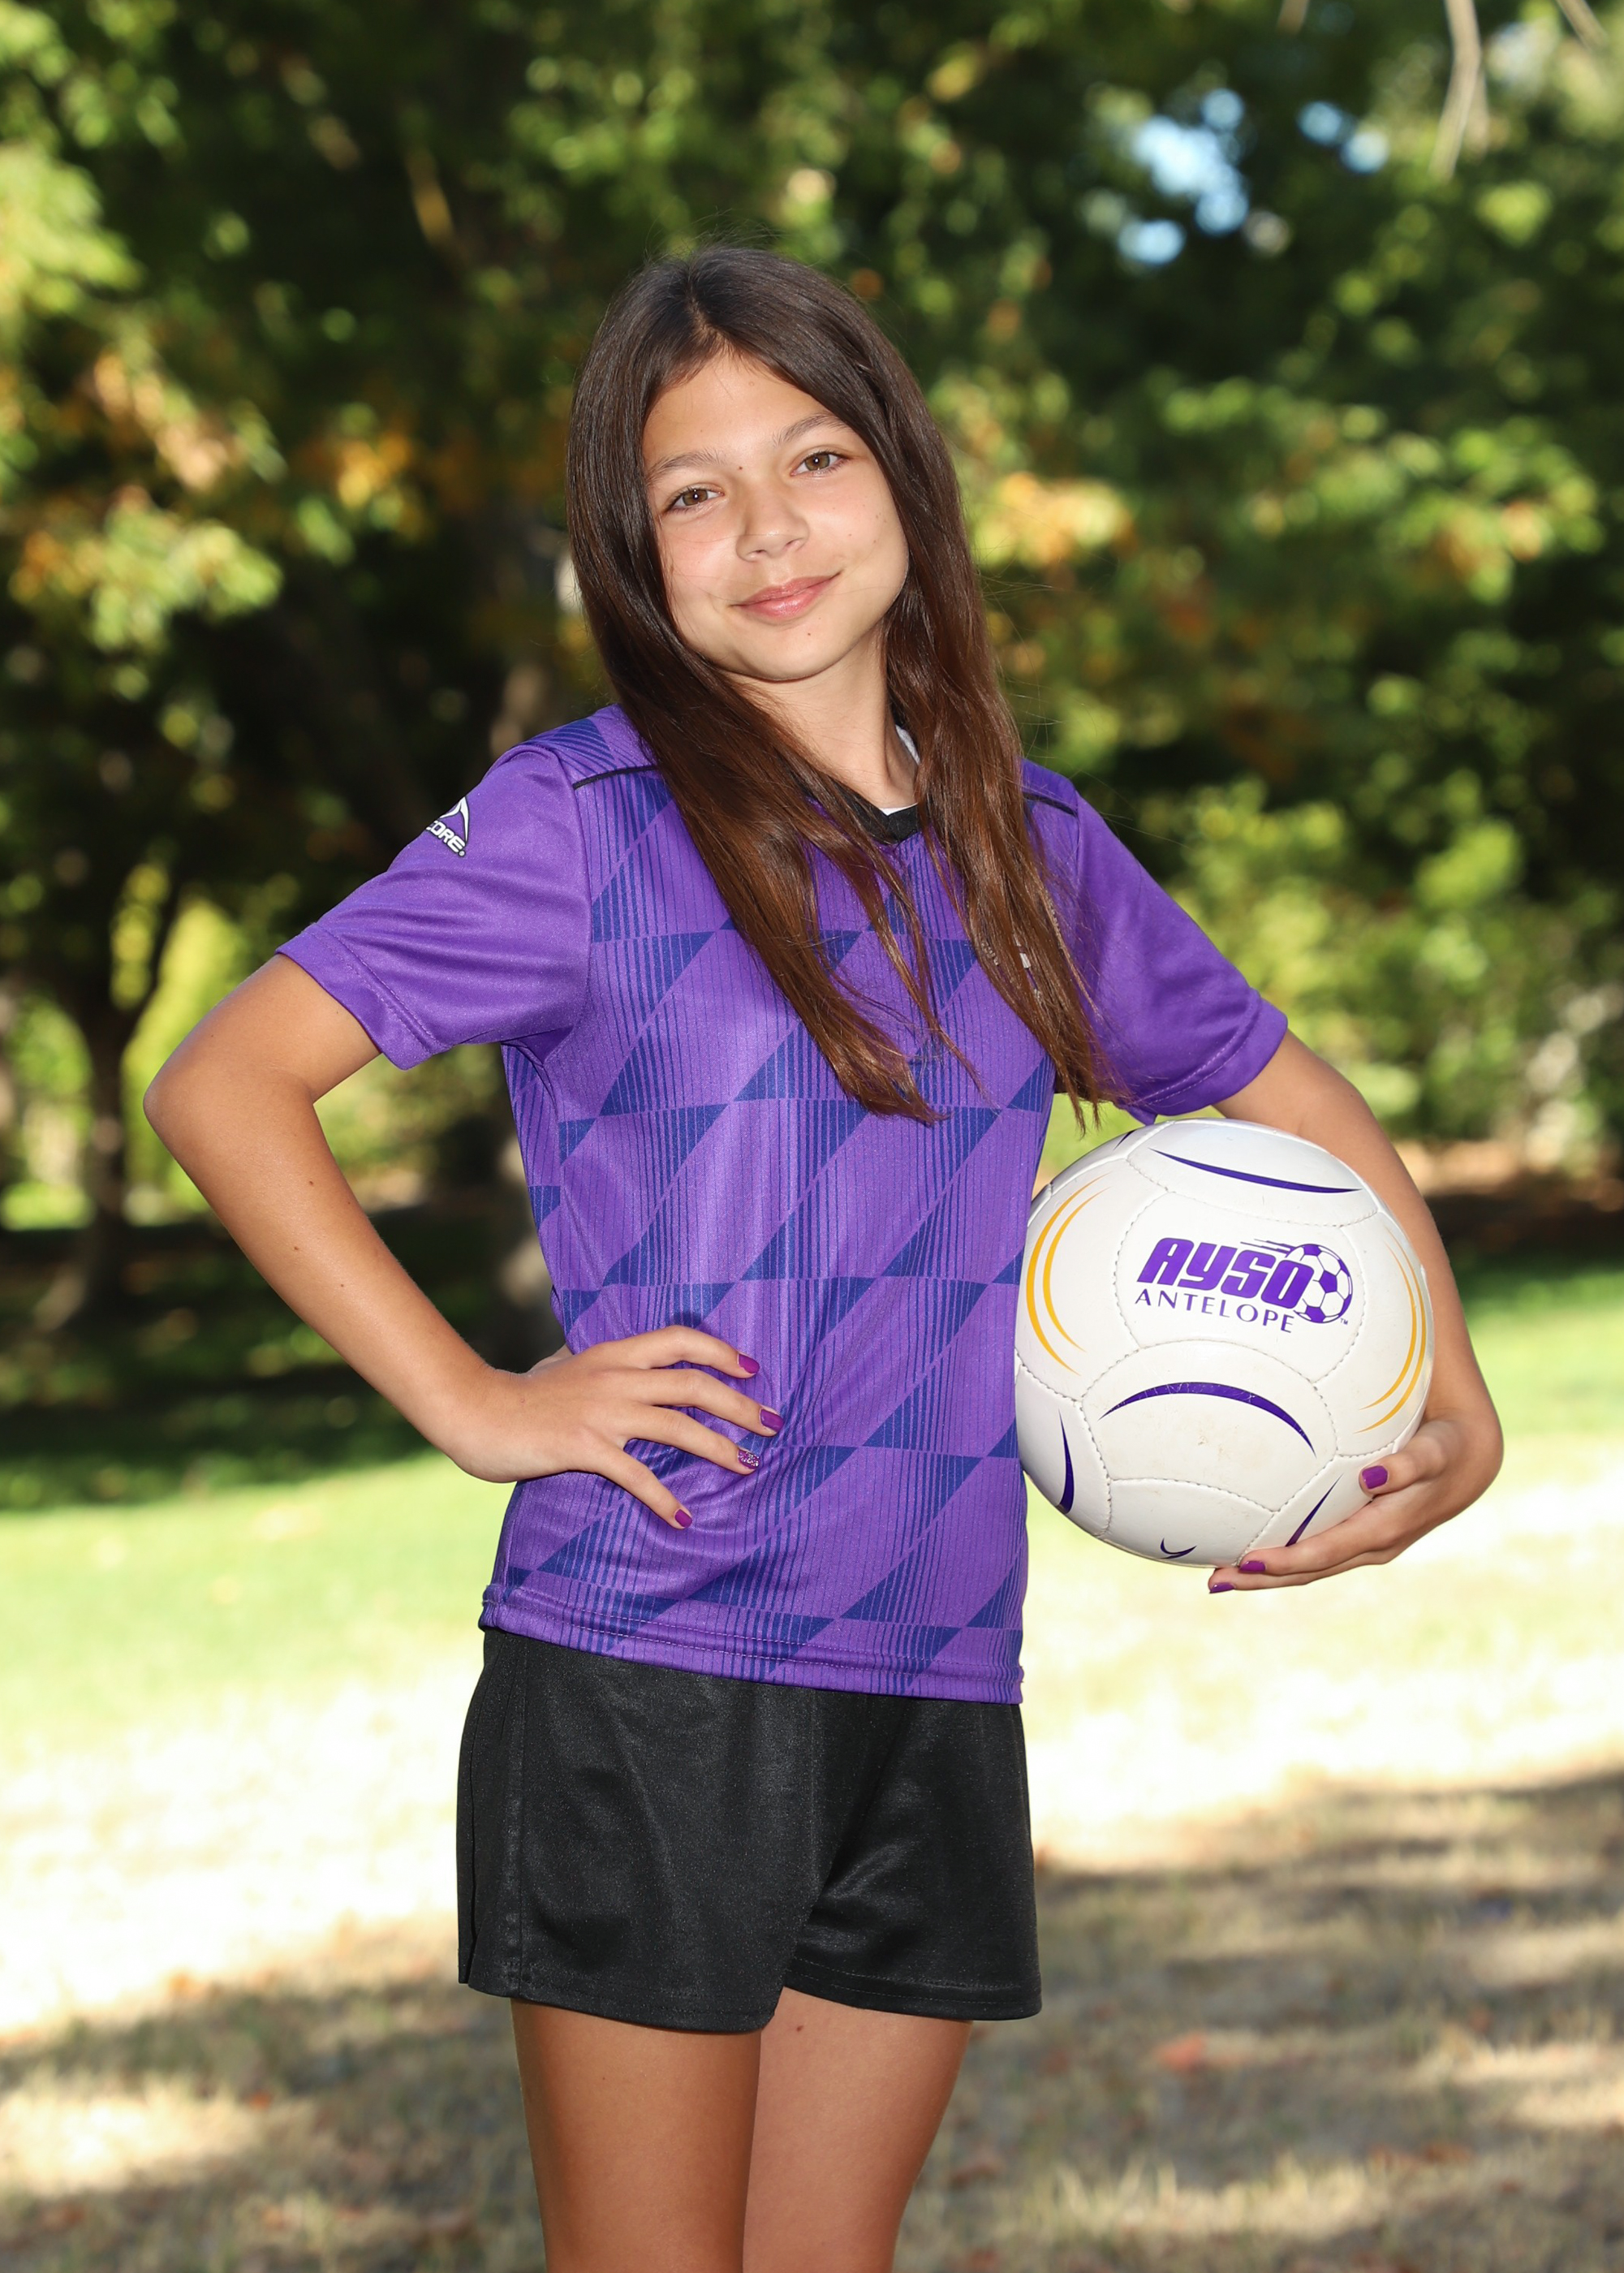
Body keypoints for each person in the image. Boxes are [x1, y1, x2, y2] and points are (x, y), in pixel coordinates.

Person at [146, 246, 1502, 2273]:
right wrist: (474, 1398)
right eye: (692, 492)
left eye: (812, 458)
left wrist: (1451, 1395)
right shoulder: (578, 821)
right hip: (653, 1662)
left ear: (903, 482)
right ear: (633, 552)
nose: (766, 528)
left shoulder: (1030, 847)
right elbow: (225, 1081)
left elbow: (1287, 1098)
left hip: (935, 1660)